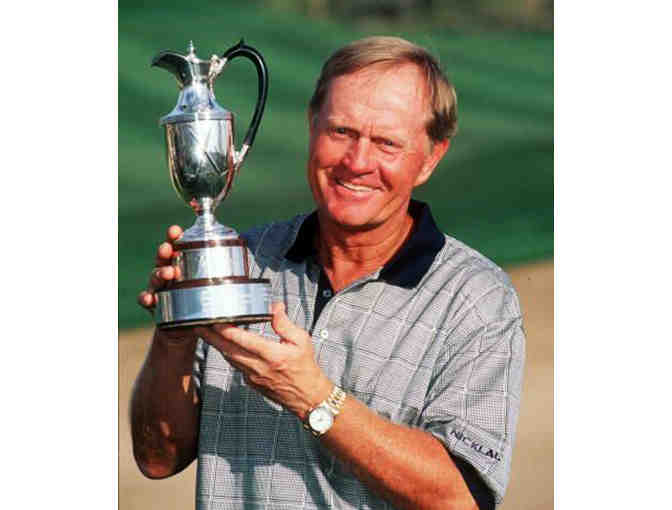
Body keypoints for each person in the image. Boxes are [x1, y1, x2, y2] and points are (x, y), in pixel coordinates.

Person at [132, 36, 525, 510]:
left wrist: (313, 397)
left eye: (386, 143)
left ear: (430, 158)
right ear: (311, 125)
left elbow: (459, 498)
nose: (357, 162)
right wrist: (174, 337)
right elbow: (157, 459)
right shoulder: (241, 260)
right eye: (341, 131)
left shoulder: (477, 299)